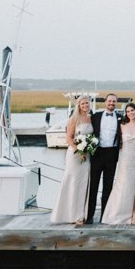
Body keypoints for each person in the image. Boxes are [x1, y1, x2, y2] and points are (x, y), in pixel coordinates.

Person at [49, 96, 94, 225]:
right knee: (73, 182)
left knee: (84, 183)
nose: (85, 105)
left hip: (86, 155)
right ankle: (69, 214)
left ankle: (80, 214)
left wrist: (88, 148)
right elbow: (69, 138)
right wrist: (78, 151)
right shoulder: (73, 119)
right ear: (78, 105)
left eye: (87, 103)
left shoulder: (91, 118)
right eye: (83, 103)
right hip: (75, 155)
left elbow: (91, 136)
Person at [100, 103, 135, 225]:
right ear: (126, 113)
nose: (131, 113)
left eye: (132, 110)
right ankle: (119, 212)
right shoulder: (122, 126)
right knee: (124, 185)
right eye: (128, 111)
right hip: (125, 159)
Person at [86, 93, 124, 224]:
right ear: (105, 102)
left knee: (108, 186)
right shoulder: (95, 116)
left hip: (112, 154)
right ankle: (89, 215)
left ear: (116, 103)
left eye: (114, 101)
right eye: (109, 101)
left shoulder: (121, 118)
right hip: (97, 153)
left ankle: (105, 216)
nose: (111, 103)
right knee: (93, 186)